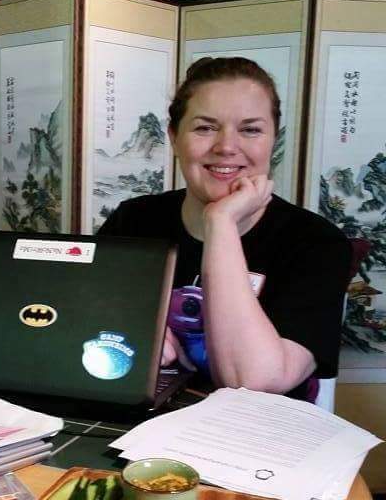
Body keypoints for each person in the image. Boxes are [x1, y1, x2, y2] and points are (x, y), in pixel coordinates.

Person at [98, 56, 352, 401]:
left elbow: (251, 381)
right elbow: (88, 321)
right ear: (174, 137)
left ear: (273, 139)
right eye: (205, 127)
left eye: (250, 129)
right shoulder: (134, 220)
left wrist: (220, 222)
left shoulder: (316, 243)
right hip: (135, 420)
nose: (226, 147)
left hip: (259, 438)